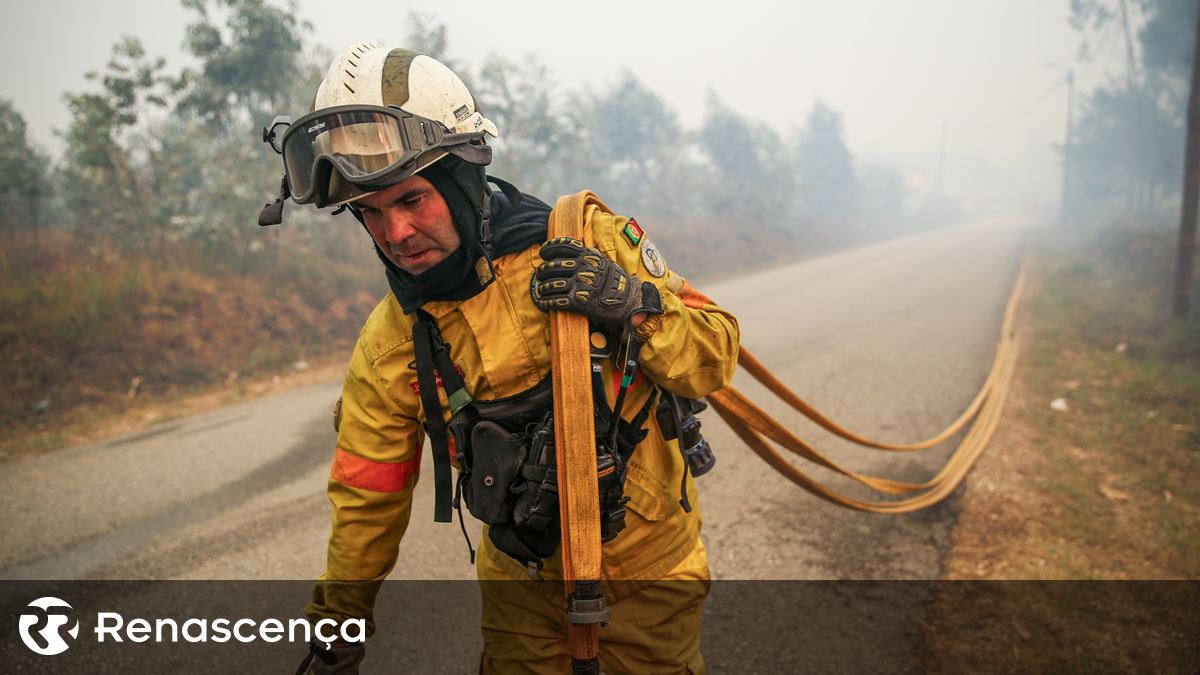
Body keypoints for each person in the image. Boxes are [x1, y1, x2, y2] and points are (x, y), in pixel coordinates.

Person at [261, 42, 739, 674]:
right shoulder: (392, 342)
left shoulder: (585, 239)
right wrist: (335, 635)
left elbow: (714, 356)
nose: (395, 233)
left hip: (649, 574)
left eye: (411, 200)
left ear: (462, 179)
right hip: (520, 591)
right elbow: (364, 499)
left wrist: (631, 303)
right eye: (370, 212)